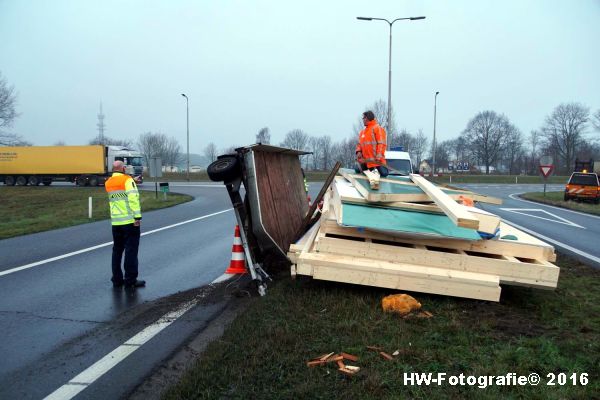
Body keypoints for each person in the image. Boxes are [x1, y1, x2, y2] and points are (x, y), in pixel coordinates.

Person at [105, 160, 145, 289]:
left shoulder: (108, 182)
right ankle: (130, 280)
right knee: (131, 251)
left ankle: (117, 279)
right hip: (129, 221)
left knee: (117, 251)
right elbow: (132, 198)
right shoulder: (127, 180)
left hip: (116, 222)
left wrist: (132, 179)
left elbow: (119, 194)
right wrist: (137, 216)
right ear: (123, 169)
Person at [355, 111, 388, 188]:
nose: (363, 120)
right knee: (356, 170)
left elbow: (381, 144)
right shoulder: (362, 132)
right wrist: (358, 152)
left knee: (384, 174)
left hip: (377, 162)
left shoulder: (377, 129)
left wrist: (378, 156)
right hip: (366, 163)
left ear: (367, 118)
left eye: (364, 118)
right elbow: (359, 144)